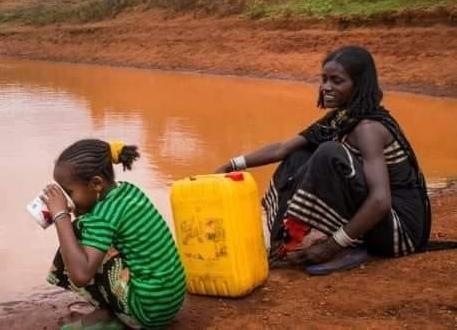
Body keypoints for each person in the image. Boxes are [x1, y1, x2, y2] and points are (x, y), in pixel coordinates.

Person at [216, 46, 431, 274]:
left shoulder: (369, 128)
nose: (326, 87)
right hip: (379, 223)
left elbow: (380, 200)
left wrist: (332, 245)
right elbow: (281, 148)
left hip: (399, 233)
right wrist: (231, 165)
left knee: (330, 153)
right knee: (298, 155)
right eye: (324, 79)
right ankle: (286, 242)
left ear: (359, 85)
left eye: (337, 81)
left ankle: (338, 243)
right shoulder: (342, 118)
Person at [42, 139, 186, 329]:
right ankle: (112, 310)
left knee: (75, 233)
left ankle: (114, 316)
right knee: (85, 230)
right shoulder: (127, 191)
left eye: (69, 192)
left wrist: (61, 216)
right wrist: (76, 209)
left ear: (96, 184)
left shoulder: (102, 217)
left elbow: (81, 275)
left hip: (149, 311)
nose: (68, 199)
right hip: (169, 301)